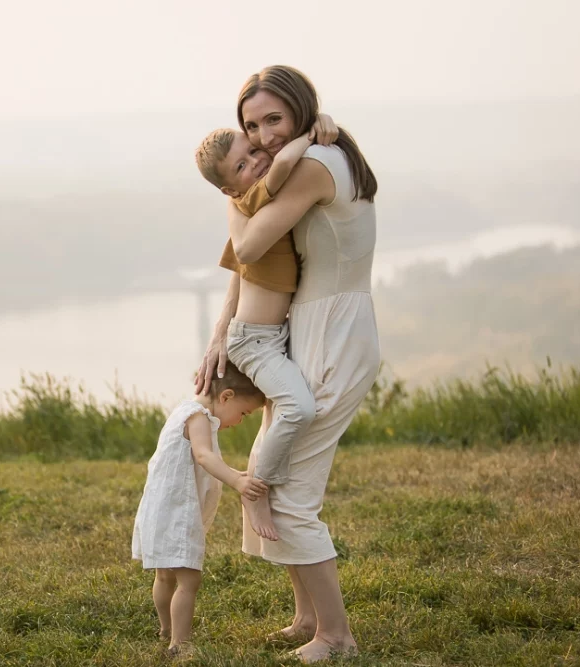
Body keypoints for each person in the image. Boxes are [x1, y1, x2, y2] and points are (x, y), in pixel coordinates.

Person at [196, 65, 381, 663]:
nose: (265, 135)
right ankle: (307, 616)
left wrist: (239, 197)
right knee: (273, 475)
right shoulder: (300, 159)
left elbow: (247, 243)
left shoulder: (316, 165)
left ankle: (337, 636)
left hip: (333, 335)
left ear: (302, 109)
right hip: (302, 330)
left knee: (291, 492)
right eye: (252, 126)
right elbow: (254, 257)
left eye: (274, 120)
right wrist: (221, 329)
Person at [193, 128, 319, 542]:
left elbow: (237, 269)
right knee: (299, 408)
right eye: (243, 166)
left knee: (287, 410)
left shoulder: (255, 208)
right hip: (253, 340)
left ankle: (270, 480)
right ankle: (255, 489)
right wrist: (312, 133)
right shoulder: (250, 198)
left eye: (252, 151)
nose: (257, 162)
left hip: (272, 334)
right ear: (231, 187)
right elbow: (283, 163)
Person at [131, 361, 266, 657]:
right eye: (244, 413)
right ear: (226, 396)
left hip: (159, 508)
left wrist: (234, 471)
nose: (241, 420)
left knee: (165, 576)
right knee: (188, 580)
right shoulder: (200, 417)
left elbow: (194, 458)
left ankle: (166, 628)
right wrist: (236, 481)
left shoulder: (184, 409)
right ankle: (180, 644)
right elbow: (203, 456)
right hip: (176, 511)